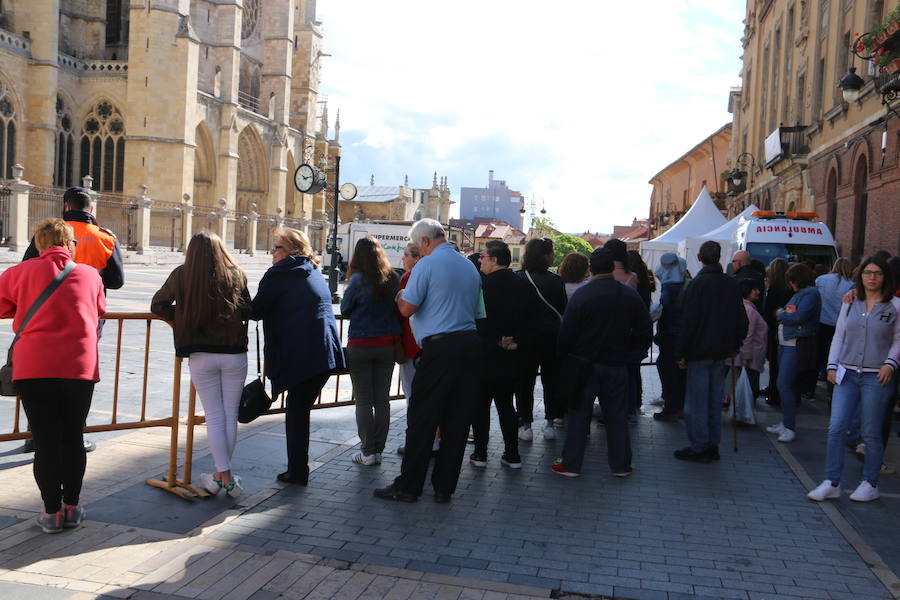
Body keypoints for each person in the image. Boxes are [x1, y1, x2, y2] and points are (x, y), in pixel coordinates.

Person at [0, 219, 105, 533]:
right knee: (73, 436)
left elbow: (3, 308)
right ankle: (72, 507)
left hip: (35, 368)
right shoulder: (90, 275)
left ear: (40, 244)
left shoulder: (18, 273)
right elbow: (99, 308)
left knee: (45, 441)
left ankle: (51, 513)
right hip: (79, 367)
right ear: (70, 244)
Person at [374, 219, 481, 504]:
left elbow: (408, 308)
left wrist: (399, 296)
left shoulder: (426, 265)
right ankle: (444, 487)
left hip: (440, 348)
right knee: (456, 420)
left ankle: (409, 486)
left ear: (423, 242)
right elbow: (477, 309)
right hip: (469, 345)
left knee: (422, 418)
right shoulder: (469, 266)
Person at [23, 186, 124, 454]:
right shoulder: (105, 238)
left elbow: (27, 265)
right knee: (76, 376)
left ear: (66, 207)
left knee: (43, 372)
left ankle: (37, 435)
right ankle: (74, 435)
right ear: (91, 209)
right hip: (86, 318)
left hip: (44, 316)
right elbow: (116, 281)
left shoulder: (48, 233)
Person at [151, 232, 251, 498]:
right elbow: (248, 310)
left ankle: (225, 476)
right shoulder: (236, 274)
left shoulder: (182, 274)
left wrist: (182, 318)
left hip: (200, 354)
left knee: (215, 417)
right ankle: (223, 476)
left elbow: (158, 304)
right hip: (234, 353)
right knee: (229, 416)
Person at [252, 227, 345, 485]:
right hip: (323, 355)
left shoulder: (280, 274)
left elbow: (255, 310)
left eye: (276, 247)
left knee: (296, 412)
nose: (272, 252)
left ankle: (297, 471)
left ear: (290, 250)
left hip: (303, 355)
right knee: (299, 410)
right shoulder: (312, 270)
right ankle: (298, 468)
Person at [552, 248, 652, 477]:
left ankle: (571, 463)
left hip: (583, 363)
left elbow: (566, 334)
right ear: (612, 267)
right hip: (617, 363)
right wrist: (633, 354)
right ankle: (620, 464)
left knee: (579, 414)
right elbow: (645, 329)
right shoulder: (629, 294)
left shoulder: (582, 296)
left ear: (590, 268)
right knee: (616, 416)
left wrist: (564, 359)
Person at [808, 255, 899, 503]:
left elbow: (898, 340)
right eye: (867, 272)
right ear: (860, 275)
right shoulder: (850, 302)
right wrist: (831, 365)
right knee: (836, 427)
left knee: (870, 431)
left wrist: (891, 363)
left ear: (885, 277)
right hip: (846, 373)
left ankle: (870, 482)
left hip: (876, 376)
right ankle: (831, 481)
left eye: (877, 273)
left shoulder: (895, 306)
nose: (872, 277)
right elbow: (839, 335)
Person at [674, 240, 748, 463]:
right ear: (719, 257)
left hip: (700, 352)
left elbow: (688, 322)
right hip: (721, 351)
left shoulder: (697, 285)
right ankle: (711, 444)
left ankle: (700, 446)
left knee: (696, 403)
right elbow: (741, 320)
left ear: (699, 258)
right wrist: (735, 344)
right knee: (714, 402)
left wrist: (681, 353)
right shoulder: (730, 284)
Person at [471, 240, 536, 469]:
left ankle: (480, 453)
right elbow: (532, 321)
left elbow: (477, 321)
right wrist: (515, 341)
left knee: (480, 406)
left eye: (483, 256)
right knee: (507, 406)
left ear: (495, 259)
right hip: (512, 356)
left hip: (485, 354)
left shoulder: (482, 286)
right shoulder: (523, 285)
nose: (479, 260)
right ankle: (512, 454)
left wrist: (495, 340)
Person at [340, 237, 402, 466]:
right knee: (382, 399)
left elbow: (345, 308)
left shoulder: (357, 280)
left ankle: (367, 451)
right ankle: (378, 450)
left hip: (361, 345)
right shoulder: (392, 278)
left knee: (364, 399)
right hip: (387, 346)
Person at [516, 237, 567, 441]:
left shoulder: (519, 278)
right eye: (551, 252)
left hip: (525, 340)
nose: (553, 256)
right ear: (545, 255)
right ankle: (549, 423)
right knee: (551, 381)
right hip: (551, 338)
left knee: (524, 383)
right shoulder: (556, 280)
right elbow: (563, 310)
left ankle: (526, 425)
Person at [767, 263, 821, 443]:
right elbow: (792, 312)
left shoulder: (810, 294)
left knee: (784, 384)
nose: (789, 284)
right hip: (786, 344)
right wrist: (784, 313)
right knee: (784, 383)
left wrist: (781, 314)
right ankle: (786, 422)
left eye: (790, 280)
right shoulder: (800, 295)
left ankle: (789, 426)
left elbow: (796, 315)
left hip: (794, 344)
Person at [653, 253, 689, 422]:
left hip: (670, 335)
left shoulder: (669, 287)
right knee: (680, 372)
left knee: (667, 369)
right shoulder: (687, 282)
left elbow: (665, 308)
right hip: (684, 334)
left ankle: (671, 407)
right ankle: (680, 406)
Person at [725, 279, 768, 416]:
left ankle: (742, 413)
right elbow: (747, 335)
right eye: (754, 289)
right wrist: (746, 356)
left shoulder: (745, 307)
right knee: (748, 387)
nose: (758, 291)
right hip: (750, 357)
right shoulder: (749, 310)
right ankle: (744, 414)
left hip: (749, 356)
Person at [395, 242, 422, 455]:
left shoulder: (408, 278)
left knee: (412, 396)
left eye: (406, 255)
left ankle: (415, 442)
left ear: (416, 258)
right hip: (429, 346)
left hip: (412, 346)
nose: (402, 259)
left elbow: (403, 312)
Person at [815, 257, 855, 382]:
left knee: (818, 352)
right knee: (833, 353)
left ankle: (814, 380)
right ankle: (829, 378)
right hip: (838, 323)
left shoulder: (821, 279)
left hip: (821, 321)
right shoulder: (850, 285)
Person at [762, 258, 792, 405]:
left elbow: (767, 310)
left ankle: (773, 393)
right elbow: (792, 308)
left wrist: (776, 314)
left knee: (774, 364)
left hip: (774, 330)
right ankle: (776, 391)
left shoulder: (774, 289)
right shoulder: (790, 289)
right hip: (787, 329)